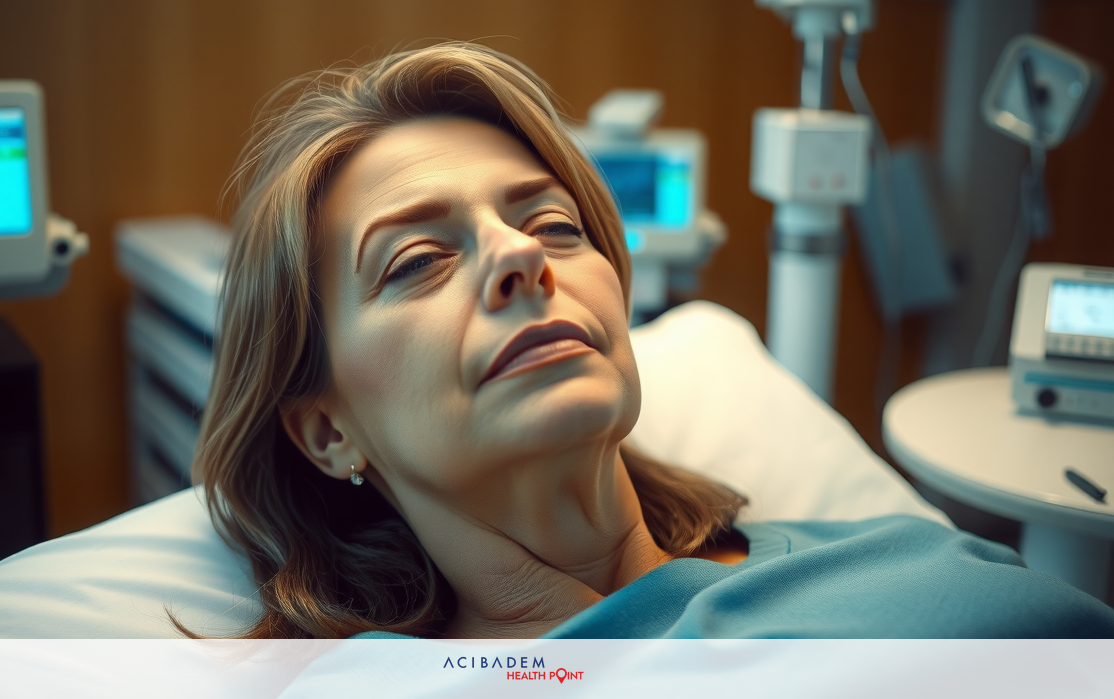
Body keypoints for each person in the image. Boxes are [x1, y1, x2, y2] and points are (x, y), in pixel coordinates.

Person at [193, 42, 1114, 639]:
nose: (522, 255)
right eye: (419, 258)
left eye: (555, 226)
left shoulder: (901, 560)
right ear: (327, 432)